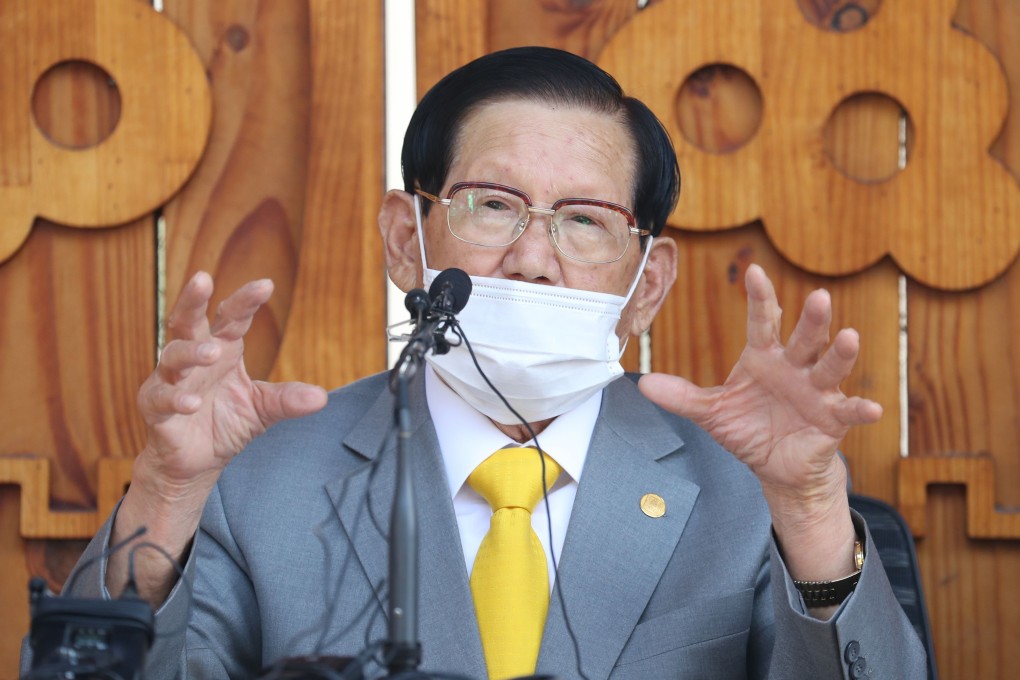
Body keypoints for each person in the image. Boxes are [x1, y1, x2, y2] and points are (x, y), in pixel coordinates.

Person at [45, 46, 925, 679]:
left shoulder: (749, 494)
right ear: (406, 239)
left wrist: (810, 508)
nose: (535, 259)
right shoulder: (254, 482)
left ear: (647, 283)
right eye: (493, 205)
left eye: (585, 220)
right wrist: (165, 490)